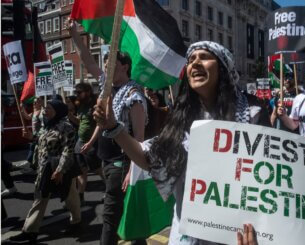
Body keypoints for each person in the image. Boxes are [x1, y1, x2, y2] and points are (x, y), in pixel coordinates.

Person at [94, 41, 261, 244]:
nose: (196, 63)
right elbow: (148, 157)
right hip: (186, 238)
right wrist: (113, 127)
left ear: (224, 68)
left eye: (205, 57)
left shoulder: (252, 114)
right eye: (191, 60)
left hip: (236, 237)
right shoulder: (181, 121)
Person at [67, 18, 148, 245]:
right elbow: (87, 61)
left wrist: (133, 169)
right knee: (127, 214)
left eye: (110, 64)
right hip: (107, 160)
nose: (104, 68)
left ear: (124, 67)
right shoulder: (107, 87)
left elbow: (139, 138)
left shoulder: (134, 96)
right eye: (105, 64)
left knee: (110, 218)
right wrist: (74, 34)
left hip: (121, 163)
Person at [8, 99, 81, 244]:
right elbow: (40, 141)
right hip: (45, 169)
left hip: (62, 169)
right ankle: (30, 231)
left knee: (70, 197)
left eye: (48, 108)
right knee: (40, 198)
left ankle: (76, 222)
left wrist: (60, 170)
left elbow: (68, 151)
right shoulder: (47, 126)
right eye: (45, 108)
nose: (45, 111)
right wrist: (31, 137)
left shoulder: (66, 127)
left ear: (58, 111)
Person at [68, 82, 104, 205]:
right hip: (80, 142)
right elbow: (80, 122)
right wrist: (70, 115)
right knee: (81, 170)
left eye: (79, 92)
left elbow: (100, 126)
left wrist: (90, 143)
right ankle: (80, 196)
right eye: (75, 92)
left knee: (98, 169)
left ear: (88, 92)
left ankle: (110, 189)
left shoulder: (95, 105)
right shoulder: (81, 106)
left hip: (92, 143)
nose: (76, 95)